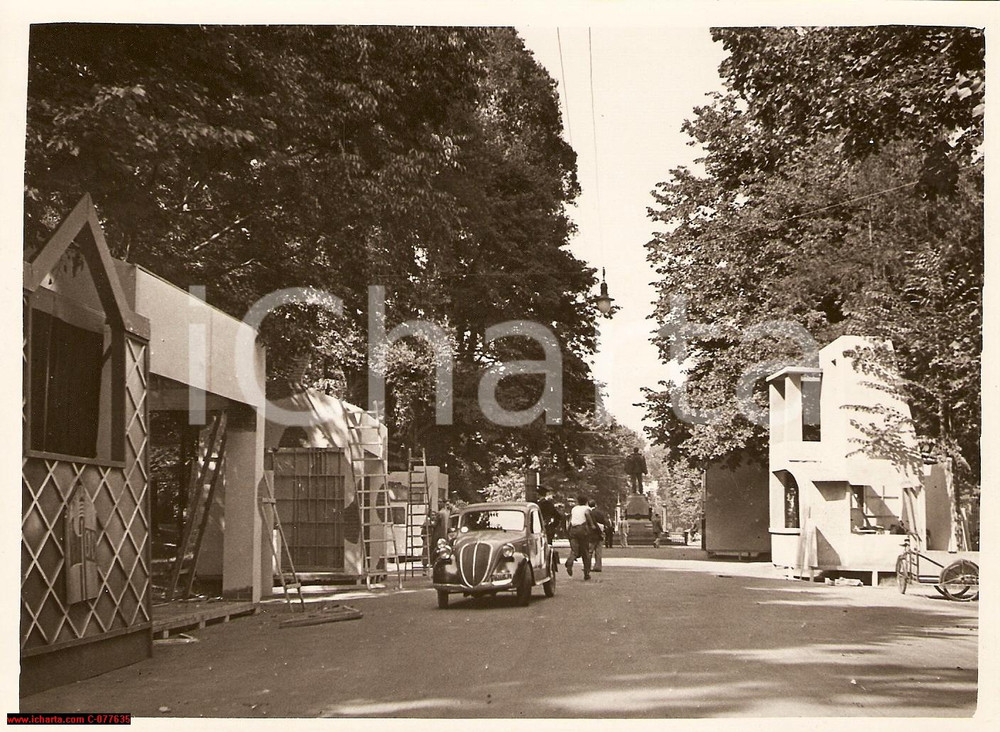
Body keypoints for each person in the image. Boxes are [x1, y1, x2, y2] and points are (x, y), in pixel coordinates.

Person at [565, 495, 598, 580]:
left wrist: (568, 531)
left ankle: (570, 561)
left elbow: (570, 520)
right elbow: (587, 514)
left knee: (574, 550)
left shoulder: (574, 509)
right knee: (585, 552)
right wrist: (592, 525)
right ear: (586, 502)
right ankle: (586, 573)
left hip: (573, 530)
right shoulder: (587, 509)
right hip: (582, 531)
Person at [588, 500, 609, 572]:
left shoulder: (589, 513)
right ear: (595, 505)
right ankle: (598, 566)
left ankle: (587, 566)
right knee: (598, 551)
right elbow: (604, 522)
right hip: (600, 534)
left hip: (592, 534)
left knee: (589, 551)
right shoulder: (600, 513)